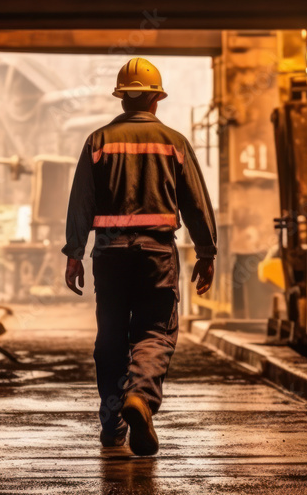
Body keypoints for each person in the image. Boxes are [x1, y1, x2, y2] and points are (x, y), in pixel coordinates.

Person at [62, 57, 217, 456]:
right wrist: (206, 251)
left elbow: (82, 201)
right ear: (155, 99)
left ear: (122, 99)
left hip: (110, 255)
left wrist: (75, 252)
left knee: (111, 337)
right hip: (157, 254)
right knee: (155, 330)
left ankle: (113, 422)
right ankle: (140, 398)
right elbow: (196, 203)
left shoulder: (98, 141)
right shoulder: (174, 142)